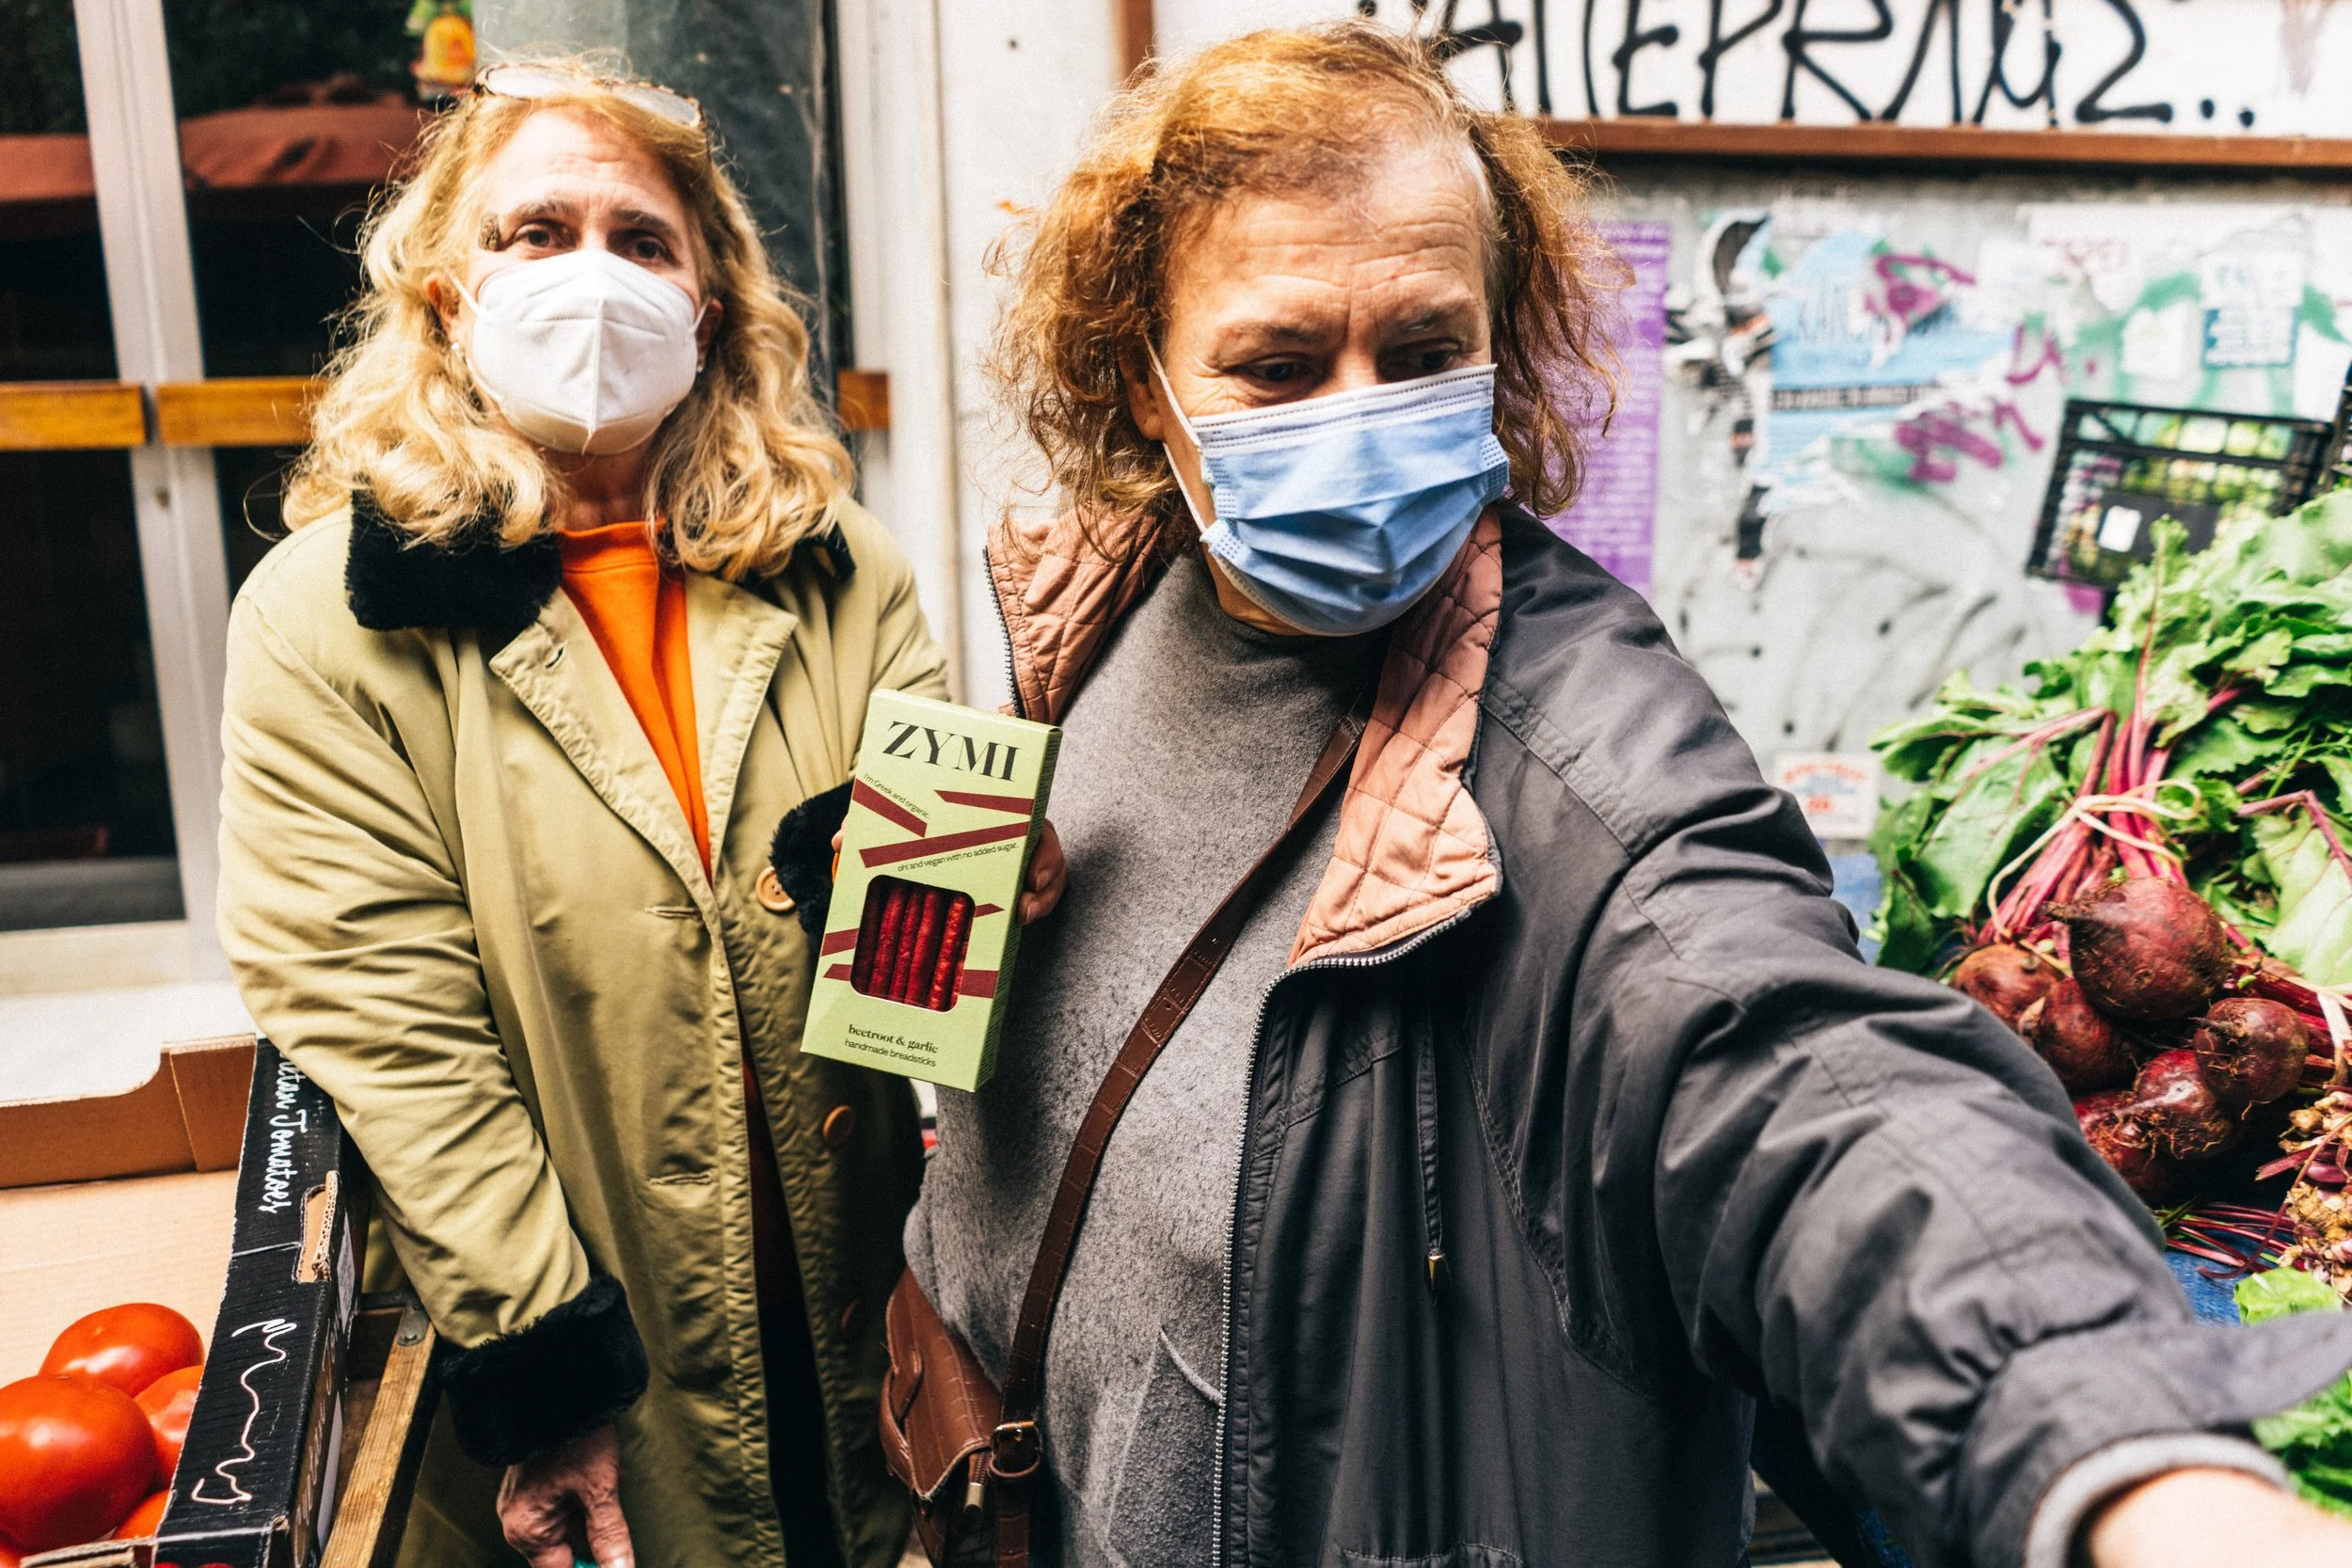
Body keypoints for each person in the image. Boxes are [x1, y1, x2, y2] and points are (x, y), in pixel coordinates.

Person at [898, 24, 2352, 1568]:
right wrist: (902, 889)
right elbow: (934, 1022)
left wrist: (2117, 1460)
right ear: (1144, 378)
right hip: (980, 1490)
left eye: (1422, 351)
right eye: (1276, 365)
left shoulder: (1576, 760)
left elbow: (1798, 1072)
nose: (1360, 417)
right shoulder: (1098, 595)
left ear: (1500, 343)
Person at [215, 62, 1052, 1568]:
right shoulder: (331, 617)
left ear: (709, 310)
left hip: (857, 1323)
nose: (592, 275)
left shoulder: (835, 563)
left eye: (642, 240)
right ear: (449, 299)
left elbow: (918, 993)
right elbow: (392, 1032)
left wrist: (998, 857)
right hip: (599, 1357)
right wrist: (550, 1371)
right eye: (536, 232)